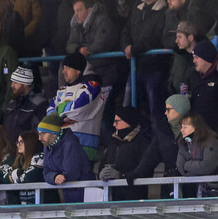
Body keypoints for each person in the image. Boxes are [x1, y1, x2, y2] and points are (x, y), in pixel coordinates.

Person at [48, 52, 106, 161]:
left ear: (78, 71)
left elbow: (78, 111)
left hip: (85, 146)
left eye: (68, 68)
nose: (63, 71)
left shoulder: (92, 87)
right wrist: (60, 118)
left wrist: (58, 117)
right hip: (62, 144)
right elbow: (50, 110)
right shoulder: (61, 91)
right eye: (63, 67)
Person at [123, 0, 171, 129]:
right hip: (136, 66)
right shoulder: (137, 9)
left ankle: (158, 144)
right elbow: (125, 31)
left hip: (155, 67)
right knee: (126, 108)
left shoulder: (164, 12)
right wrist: (126, 46)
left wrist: (134, 49)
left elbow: (157, 39)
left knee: (155, 110)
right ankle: (126, 142)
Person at [129, 93, 186, 183]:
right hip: (169, 182)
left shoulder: (196, 130)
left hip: (191, 183)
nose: (165, 112)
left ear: (180, 110)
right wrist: (137, 174)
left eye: (168, 110)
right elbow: (151, 155)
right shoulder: (162, 131)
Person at [188, 39, 218, 144]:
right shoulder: (197, 77)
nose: (194, 61)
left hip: (214, 138)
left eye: (196, 57)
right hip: (199, 135)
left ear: (206, 58)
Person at [98, 106, 150, 200]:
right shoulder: (113, 142)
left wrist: (121, 176)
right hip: (111, 198)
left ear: (128, 122)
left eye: (117, 121)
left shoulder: (142, 143)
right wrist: (101, 173)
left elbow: (145, 170)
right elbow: (103, 164)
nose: (114, 125)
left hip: (134, 199)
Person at [38, 113, 92, 202]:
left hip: (83, 193)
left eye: (43, 133)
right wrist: (54, 177)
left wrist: (58, 177)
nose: (39, 138)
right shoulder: (47, 145)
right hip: (69, 192)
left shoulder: (70, 144)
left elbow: (71, 174)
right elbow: (46, 171)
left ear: (54, 134)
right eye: (38, 134)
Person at [66, 0, 120, 88]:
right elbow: (69, 45)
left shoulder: (103, 21)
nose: (76, 15)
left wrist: (85, 49)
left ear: (89, 10)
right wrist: (79, 49)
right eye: (74, 11)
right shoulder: (76, 25)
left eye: (79, 10)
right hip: (87, 70)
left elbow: (101, 45)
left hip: (105, 70)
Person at [176, 112, 218, 197]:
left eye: (185, 127)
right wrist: (197, 169)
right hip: (194, 190)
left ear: (195, 127)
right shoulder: (183, 142)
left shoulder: (211, 141)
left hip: (214, 191)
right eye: (181, 127)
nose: (182, 130)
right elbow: (180, 166)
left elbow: (207, 167)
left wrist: (188, 165)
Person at [2, 66, 46, 141]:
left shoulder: (39, 104)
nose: (12, 85)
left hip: (28, 150)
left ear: (25, 84)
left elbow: (39, 133)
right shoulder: (12, 103)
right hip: (11, 150)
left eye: (15, 82)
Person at [7, 130, 42, 203]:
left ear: (30, 143)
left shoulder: (39, 157)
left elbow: (28, 178)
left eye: (21, 142)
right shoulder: (19, 160)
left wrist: (13, 179)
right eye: (17, 142)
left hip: (42, 206)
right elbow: (6, 177)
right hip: (23, 207)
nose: (18, 145)